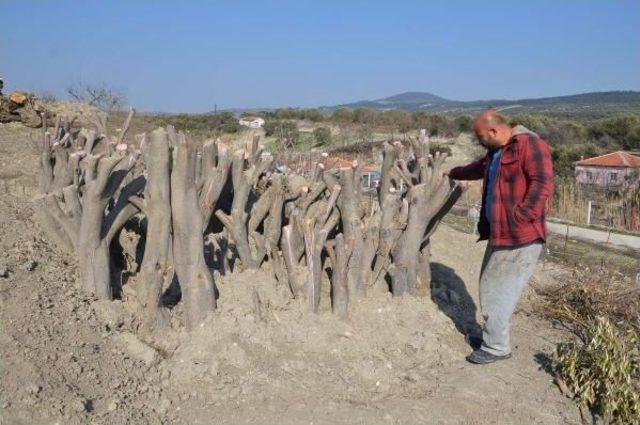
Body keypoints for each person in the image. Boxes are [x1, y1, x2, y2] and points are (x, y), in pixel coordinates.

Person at [448, 110, 554, 365]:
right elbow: (478, 169)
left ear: (494, 131)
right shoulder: (497, 152)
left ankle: (496, 347)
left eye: (481, 136)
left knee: (497, 291)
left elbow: (542, 183)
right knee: (491, 286)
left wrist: (522, 215)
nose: (479, 141)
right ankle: (492, 339)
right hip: (501, 233)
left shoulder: (530, 145)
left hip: (520, 235)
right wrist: (452, 172)